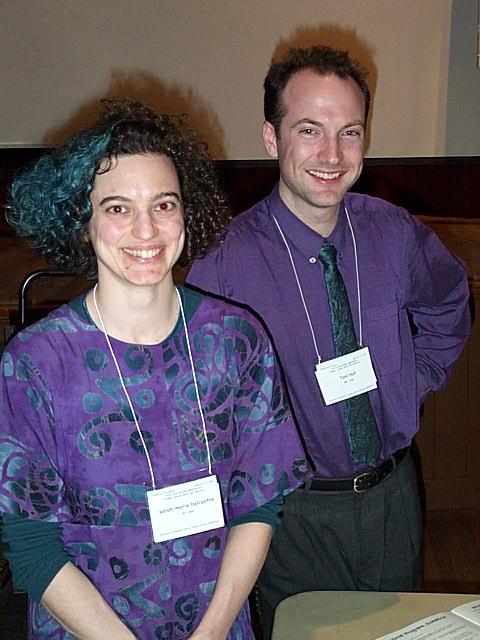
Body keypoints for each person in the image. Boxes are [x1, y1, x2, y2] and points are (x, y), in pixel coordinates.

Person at [187, 45, 471, 638]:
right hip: (293, 516)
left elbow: (448, 303)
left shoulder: (394, 233)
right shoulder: (225, 263)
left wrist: (411, 380)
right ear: (271, 138)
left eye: (350, 132)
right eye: (309, 130)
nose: (332, 155)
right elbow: (197, 402)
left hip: (392, 499)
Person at [0, 101, 309, 640]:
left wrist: (212, 632)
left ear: (187, 213)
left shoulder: (236, 341)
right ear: (83, 222)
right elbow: (31, 546)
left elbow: (259, 503)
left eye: (164, 204)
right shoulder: (35, 365)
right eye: (118, 208)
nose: (146, 230)